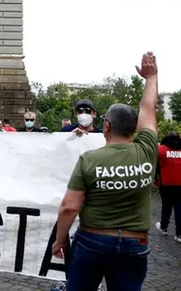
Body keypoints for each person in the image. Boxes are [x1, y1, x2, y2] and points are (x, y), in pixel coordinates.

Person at [52, 52, 159, 291]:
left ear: (107, 125)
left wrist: (60, 240)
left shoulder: (89, 159)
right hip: (135, 244)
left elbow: (70, 206)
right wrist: (151, 78)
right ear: (135, 128)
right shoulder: (148, 150)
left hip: (92, 241)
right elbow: (149, 108)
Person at [155, 131, 181, 242]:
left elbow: (155, 165)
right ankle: (179, 234)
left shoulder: (161, 149)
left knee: (166, 206)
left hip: (165, 183)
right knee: (179, 208)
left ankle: (164, 227)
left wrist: (155, 180)